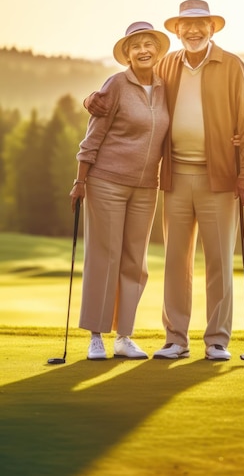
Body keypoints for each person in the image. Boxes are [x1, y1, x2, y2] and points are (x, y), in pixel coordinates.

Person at [84, 0, 244, 361]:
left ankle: (217, 341)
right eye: (186, 25)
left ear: (212, 28)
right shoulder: (165, 64)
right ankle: (176, 339)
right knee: (176, 261)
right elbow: (130, 88)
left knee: (218, 262)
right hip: (175, 176)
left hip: (220, 178)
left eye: (201, 25)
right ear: (177, 31)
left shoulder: (231, 65)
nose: (193, 31)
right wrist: (91, 99)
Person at [70, 21, 170, 360]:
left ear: (157, 50)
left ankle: (124, 336)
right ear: (127, 54)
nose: (143, 50)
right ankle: (96, 336)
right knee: (104, 257)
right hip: (106, 182)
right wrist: (80, 180)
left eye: (148, 44)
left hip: (146, 188)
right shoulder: (115, 84)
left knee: (135, 263)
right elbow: (92, 136)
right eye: (135, 46)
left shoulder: (165, 86)